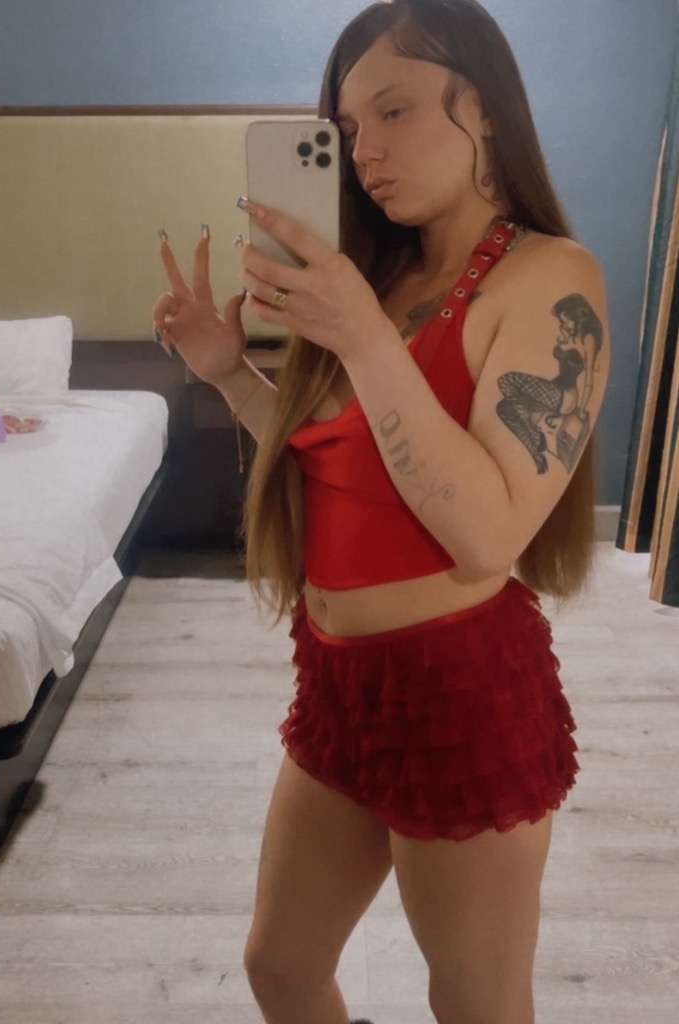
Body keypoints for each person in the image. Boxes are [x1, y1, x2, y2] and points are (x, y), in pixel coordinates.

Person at [151, 1, 610, 1021]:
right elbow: (345, 465)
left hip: (458, 693)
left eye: (393, 111)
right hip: (337, 683)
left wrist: (360, 335)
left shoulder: (548, 276)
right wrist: (227, 373)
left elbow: (487, 534)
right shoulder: (379, 273)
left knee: (475, 1003)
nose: (363, 153)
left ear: (481, 108)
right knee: (279, 967)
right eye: (347, 127)